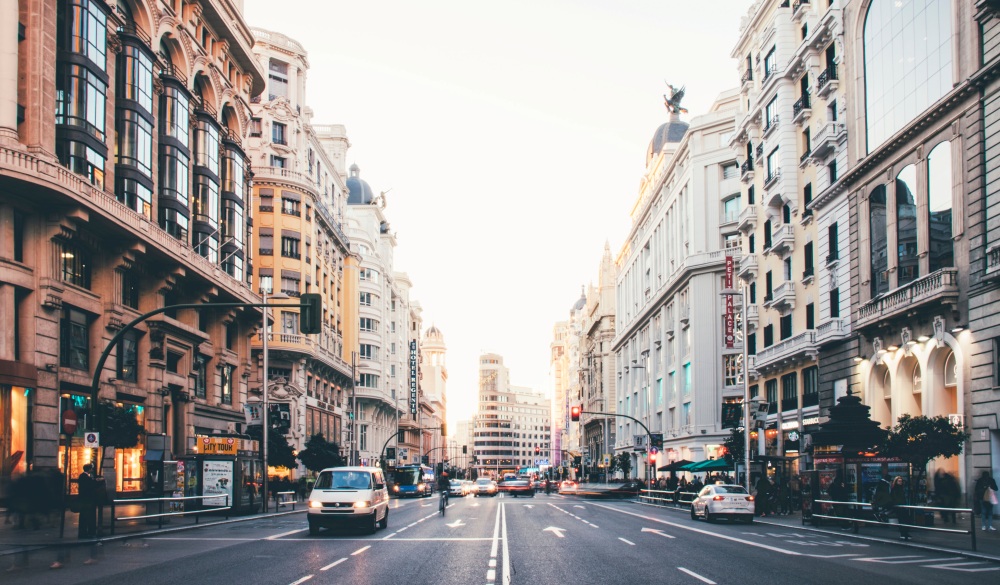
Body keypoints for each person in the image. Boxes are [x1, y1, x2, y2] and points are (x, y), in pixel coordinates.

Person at [77, 464, 98, 539]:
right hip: (86, 500)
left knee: (84, 517)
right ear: (88, 469)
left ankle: (84, 532)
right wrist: (95, 481)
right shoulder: (84, 477)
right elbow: (90, 486)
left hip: (84, 499)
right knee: (85, 517)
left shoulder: (83, 476)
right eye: (91, 469)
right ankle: (84, 533)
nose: (92, 470)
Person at [889, 476, 911, 540]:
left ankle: (905, 533)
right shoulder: (895, 489)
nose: (900, 482)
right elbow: (895, 498)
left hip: (902, 506)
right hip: (899, 506)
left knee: (905, 520)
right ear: (896, 481)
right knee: (902, 520)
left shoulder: (901, 488)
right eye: (899, 481)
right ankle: (903, 533)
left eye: (901, 481)